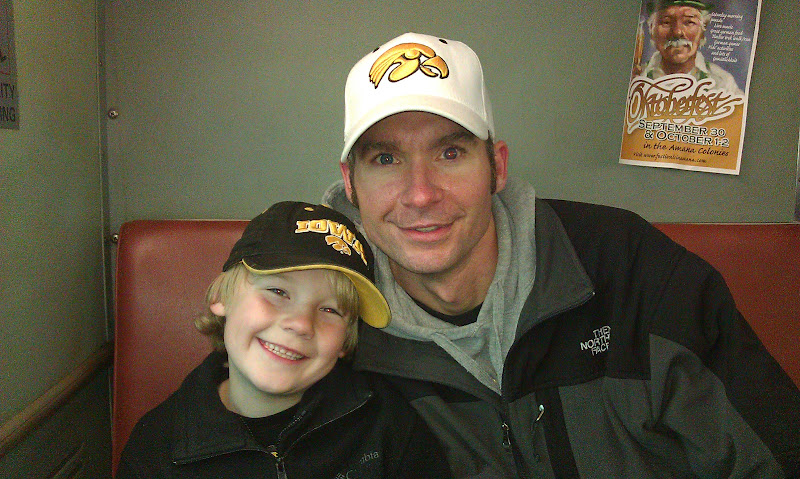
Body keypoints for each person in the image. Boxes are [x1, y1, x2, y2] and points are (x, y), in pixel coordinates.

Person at [322, 32, 800, 478]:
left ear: (497, 167)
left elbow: (773, 455)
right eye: (386, 159)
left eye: (450, 153)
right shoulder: (328, 323)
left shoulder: (628, 264)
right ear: (350, 184)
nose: (421, 194)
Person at [116, 201, 452, 478]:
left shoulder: (387, 423)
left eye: (330, 310)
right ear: (220, 297)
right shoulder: (158, 448)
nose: (301, 324)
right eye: (278, 291)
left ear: (346, 341)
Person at [638, 0, 743, 95]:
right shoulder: (638, 76)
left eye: (689, 22)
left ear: (703, 30)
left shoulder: (723, 82)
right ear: (651, 30)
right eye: (666, 22)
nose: (677, 32)